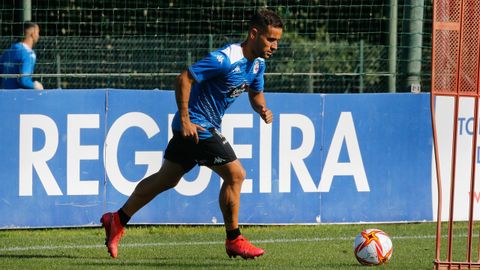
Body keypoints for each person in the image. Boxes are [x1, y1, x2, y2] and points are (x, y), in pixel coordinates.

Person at [100, 9, 283, 259]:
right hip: (197, 126)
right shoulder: (226, 58)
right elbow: (184, 78)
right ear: (254, 34)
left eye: (277, 41)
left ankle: (117, 219)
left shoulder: (258, 64)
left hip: (199, 127)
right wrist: (185, 119)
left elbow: (255, 93)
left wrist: (262, 108)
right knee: (236, 175)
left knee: (166, 179)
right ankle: (234, 239)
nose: (275, 46)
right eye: (270, 39)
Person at [0, 21, 43, 89]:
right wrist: (36, 86)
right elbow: (24, 80)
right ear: (33, 33)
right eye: (38, 32)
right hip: (18, 96)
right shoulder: (29, 54)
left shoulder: (8, 51)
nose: (38, 36)